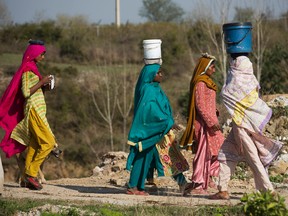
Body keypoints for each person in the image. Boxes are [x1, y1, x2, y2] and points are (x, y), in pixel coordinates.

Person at [209, 53, 283, 200]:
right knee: (225, 153)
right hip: (245, 124)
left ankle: (269, 190)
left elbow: (226, 93)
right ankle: (222, 189)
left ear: (237, 67)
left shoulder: (234, 83)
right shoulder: (251, 80)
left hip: (242, 126)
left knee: (253, 159)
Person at [0, 39, 57, 190]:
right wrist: (41, 81)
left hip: (37, 109)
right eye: (42, 54)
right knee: (49, 143)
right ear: (34, 53)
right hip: (34, 110)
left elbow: (34, 90)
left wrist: (44, 86)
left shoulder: (32, 68)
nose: (43, 57)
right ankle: (32, 174)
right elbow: (26, 92)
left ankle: (25, 179)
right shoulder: (27, 69)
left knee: (35, 143)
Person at [125, 64, 189, 196]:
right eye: (158, 73)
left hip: (161, 129)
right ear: (151, 75)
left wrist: (168, 122)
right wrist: (167, 122)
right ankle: (134, 187)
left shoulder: (156, 89)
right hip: (152, 130)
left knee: (164, 155)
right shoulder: (148, 90)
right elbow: (150, 111)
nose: (161, 75)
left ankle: (182, 183)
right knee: (148, 156)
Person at [179, 53, 224, 195]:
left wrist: (215, 112)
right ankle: (198, 183)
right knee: (203, 153)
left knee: (218, 150)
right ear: (205, 67)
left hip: (212, 122)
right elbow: (200, 105)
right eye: (212, 66)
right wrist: (210, 121)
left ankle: (208, 178)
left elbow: (208, 103)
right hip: (204, 124)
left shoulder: (208, 82)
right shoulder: (200, 82)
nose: (214, 70)